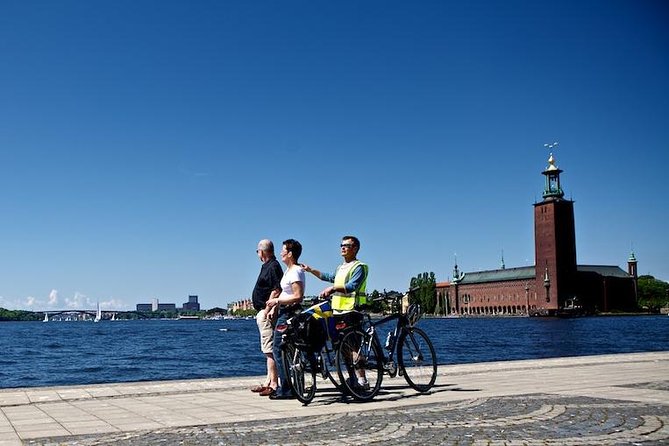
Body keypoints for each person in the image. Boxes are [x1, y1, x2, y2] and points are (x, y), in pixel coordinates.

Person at [302, 235, 369, 390]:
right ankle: (351, 379)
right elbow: (329, 277)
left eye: (347, 245)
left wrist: (332, 288)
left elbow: (352, 286)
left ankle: (362, 381)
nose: (343, 248)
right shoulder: (340, 268)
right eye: (342, 245)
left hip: (352, 310)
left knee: (353, 347)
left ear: (355, 248)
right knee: (342, 347)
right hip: (338, 311)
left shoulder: (359, 267)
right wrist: (311, 270)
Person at [265, 239, 306, 400]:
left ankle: (287, 388)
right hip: (283, 311)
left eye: (283, 250)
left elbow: (297, 296)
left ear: (290, 254)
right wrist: (275, 307)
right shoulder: (289, 271)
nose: (281, 253)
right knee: (286, 350)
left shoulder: (295, 271)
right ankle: (291, 385)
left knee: (278, 349)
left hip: (289, 313)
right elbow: (286, 293)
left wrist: (277, 302)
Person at [250, 239, 283, 396]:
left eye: (257, 251)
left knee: (269, 348)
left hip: (266, 311)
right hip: (264, 310)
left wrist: (269, 308)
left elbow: (276, 289)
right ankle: (268, 380)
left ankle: (274, 383)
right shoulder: (269, 266)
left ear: (261, 252)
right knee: (266, 348)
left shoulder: (273, 266)